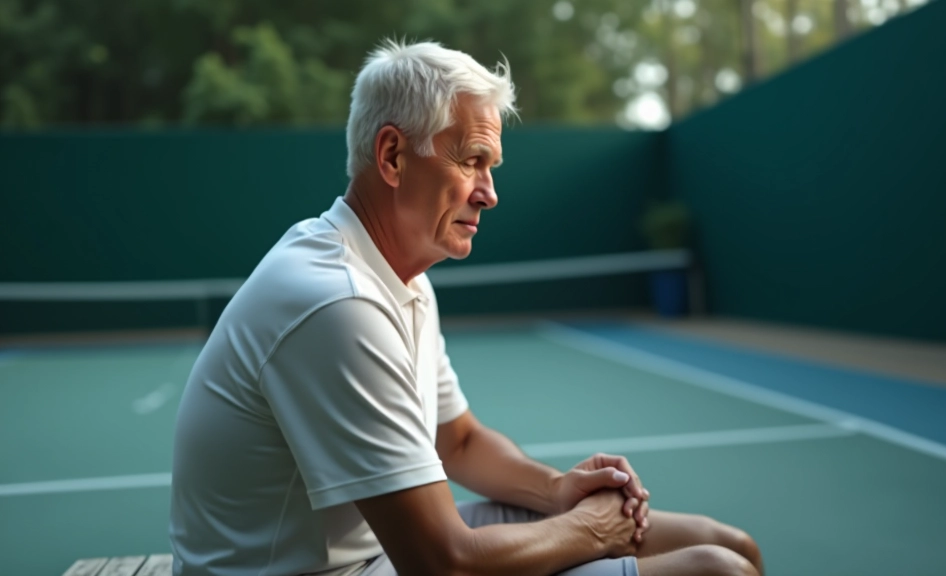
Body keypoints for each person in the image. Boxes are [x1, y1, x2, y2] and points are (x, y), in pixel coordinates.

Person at [169, 40, 763, 576]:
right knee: (717, 570)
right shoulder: (338, 302)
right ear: (393, 156)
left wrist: (558, 490)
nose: (490, 192)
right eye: (471, 160)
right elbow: (442, 562)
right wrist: (586, 528)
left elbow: (458, 442)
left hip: (381, 555)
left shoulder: (400, 278)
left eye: (490, 167)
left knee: (728, 542)